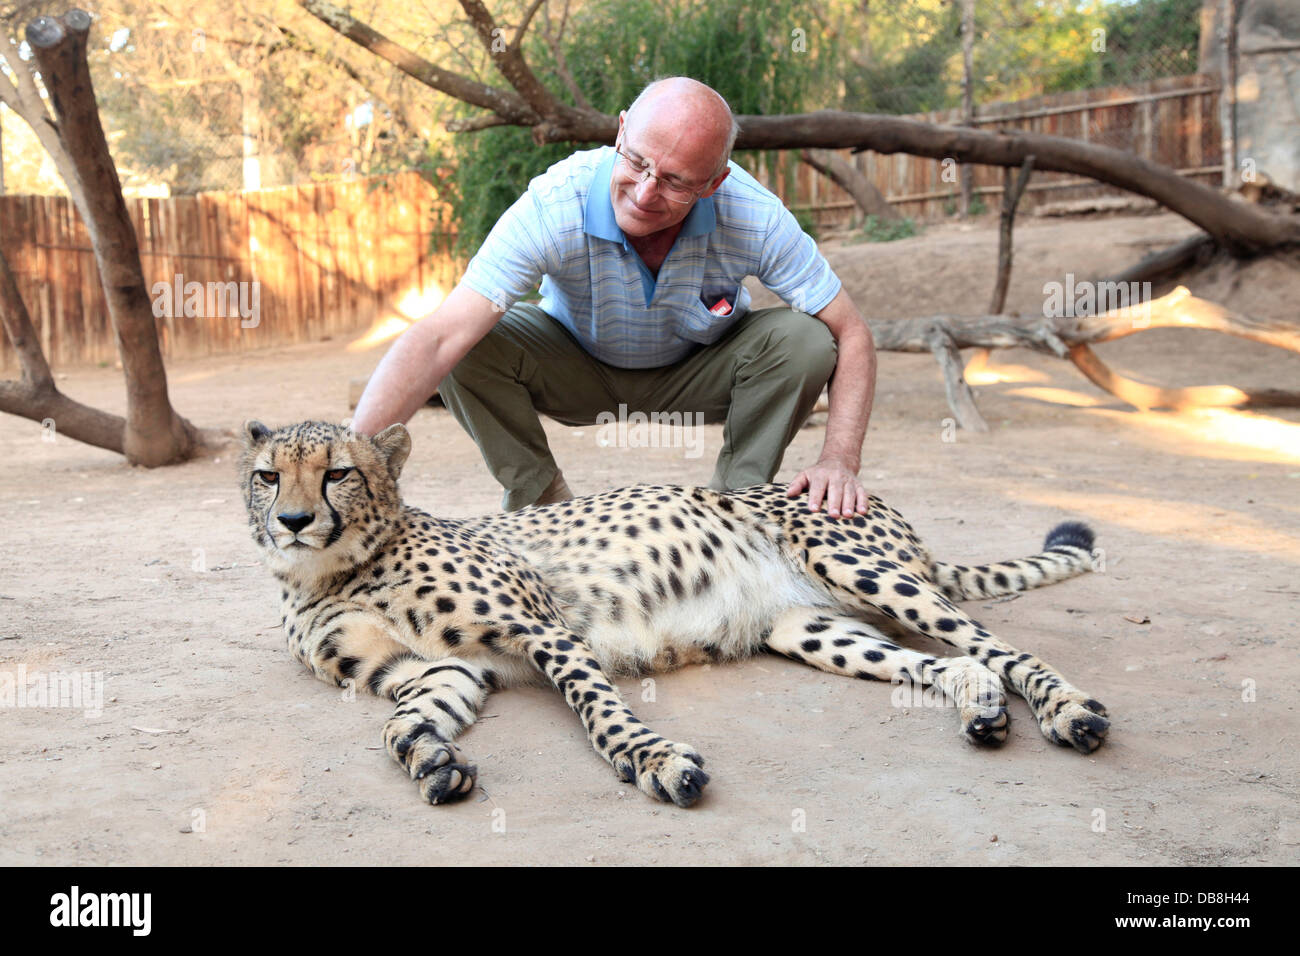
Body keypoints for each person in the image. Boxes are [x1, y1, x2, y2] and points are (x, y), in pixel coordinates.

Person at [352, 77, 877, 517]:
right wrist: (346, 456)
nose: (646, 193)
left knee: (807, 338)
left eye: (675, 182)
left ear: (714, 183)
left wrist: (839, 460)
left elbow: (851, 333)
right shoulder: (554, 205)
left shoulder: (755, 216)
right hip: (575, 367)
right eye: (638, 162)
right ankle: (543, 506)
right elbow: (440, 337)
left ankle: (734, 511)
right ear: (621, 129)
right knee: (466, 341)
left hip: (698, 375)